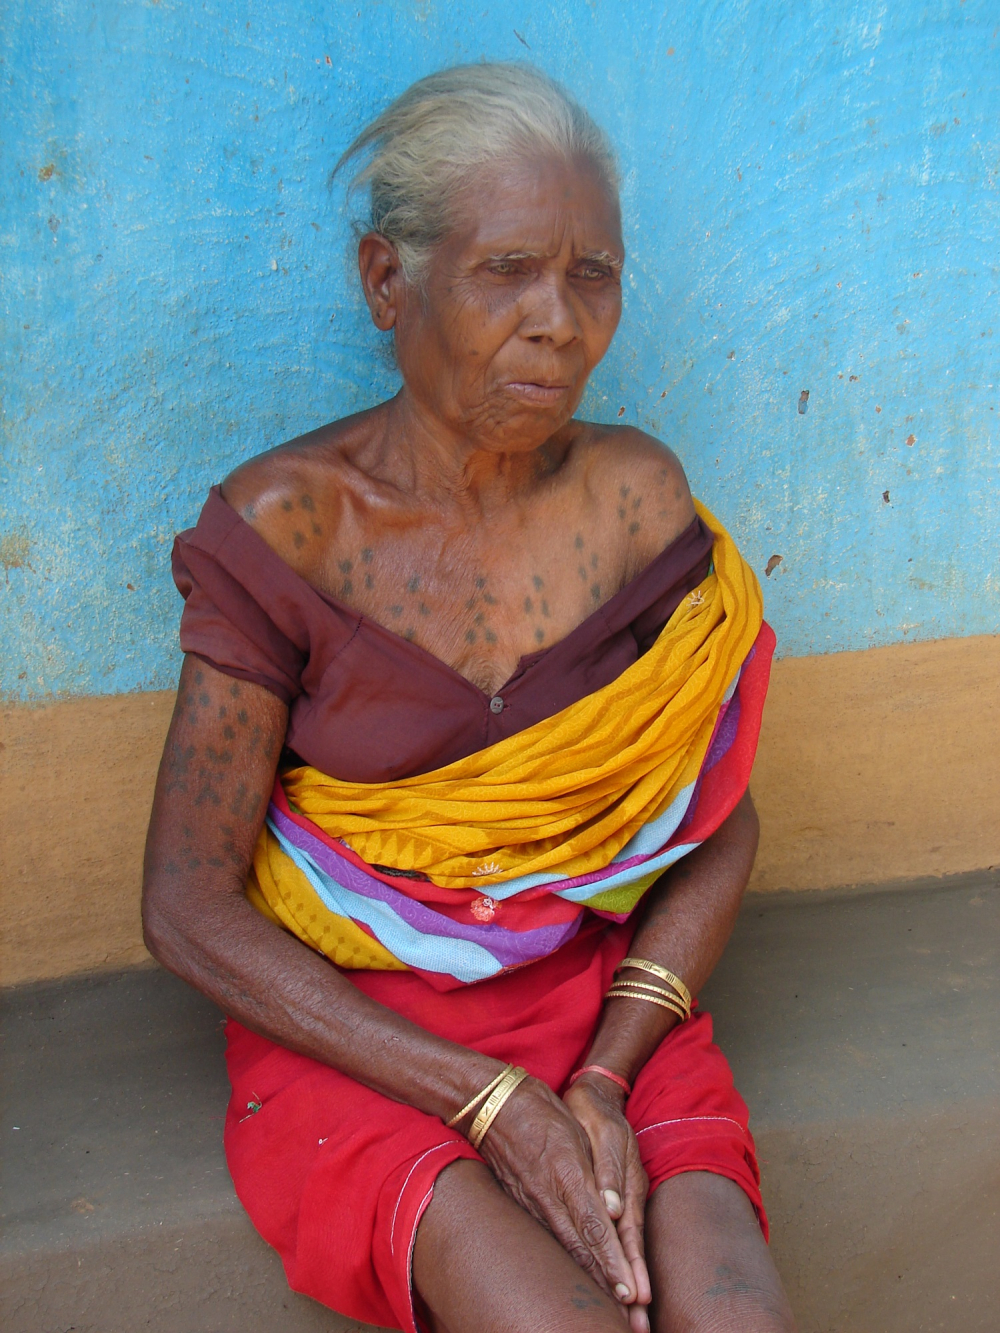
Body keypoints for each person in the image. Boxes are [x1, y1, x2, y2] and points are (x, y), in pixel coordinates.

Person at [143, 62, 795, 1333]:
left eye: (592, 274)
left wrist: (603, 1074)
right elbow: (186, 903)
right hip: (351, 1024)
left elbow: (719, 817)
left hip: (595, 991)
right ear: (389, 281)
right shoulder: (292, 527)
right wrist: (485, 1100)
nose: (557, 319)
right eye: (506, 271)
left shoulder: (632, 502)